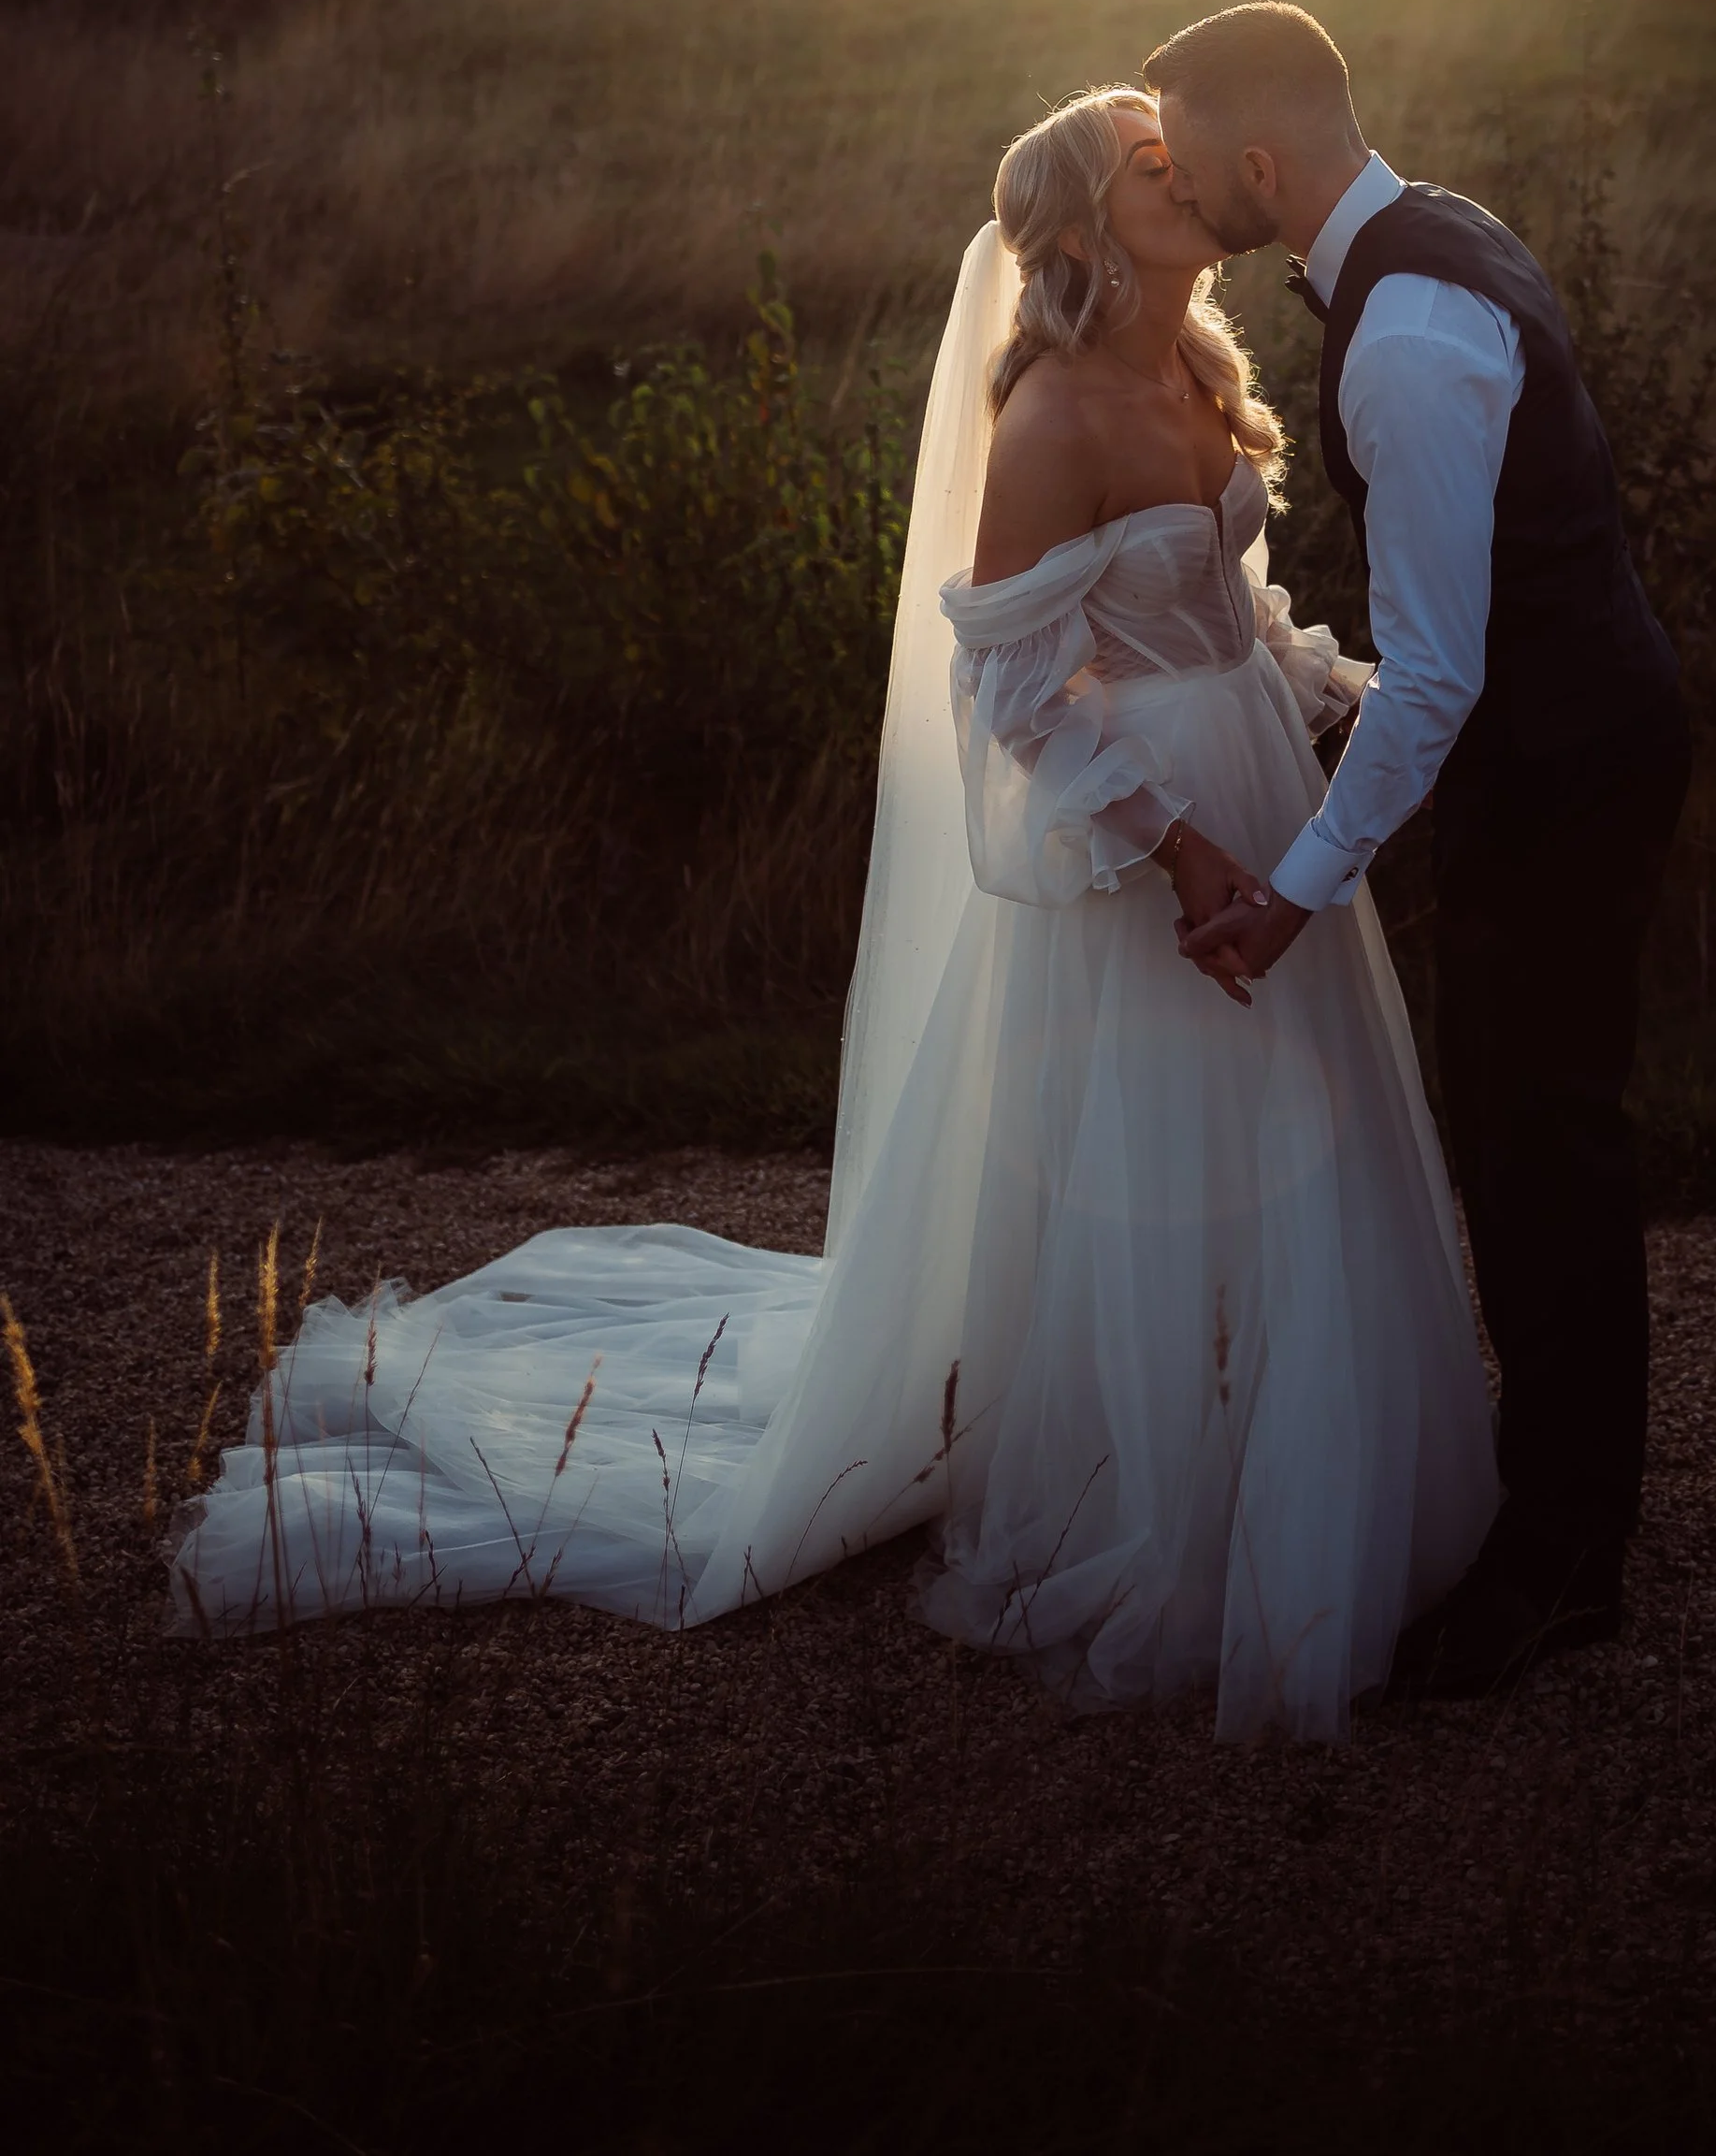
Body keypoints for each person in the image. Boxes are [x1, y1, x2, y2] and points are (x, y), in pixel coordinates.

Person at [167, 89, 1496, 1743]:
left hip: (1254, 788)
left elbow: (1227, 612)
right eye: (1152, 163)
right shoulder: (1059, 416)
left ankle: (1302, 1455)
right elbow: (1013, 683)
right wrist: (1172, 849)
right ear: (1087, 229)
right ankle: (1157, 1494)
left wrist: (1341, 696)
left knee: (1297, 1136)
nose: (1191, 173)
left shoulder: (1201, 371)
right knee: (1152, 1158)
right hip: (1145, 834)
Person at [1146, 3, 1690, 1697]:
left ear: (1259, 163)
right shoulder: (1438, 231)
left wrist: (1302, 888)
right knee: (1537, 1129)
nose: (1179, 190)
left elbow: (1449, 668)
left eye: (1188, 159)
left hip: (1566, 764)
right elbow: (1456, 634)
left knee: (1541, 1149)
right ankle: (1578, 1510)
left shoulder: (1400, 338)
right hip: (1572, 729)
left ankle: (1561, 1560)